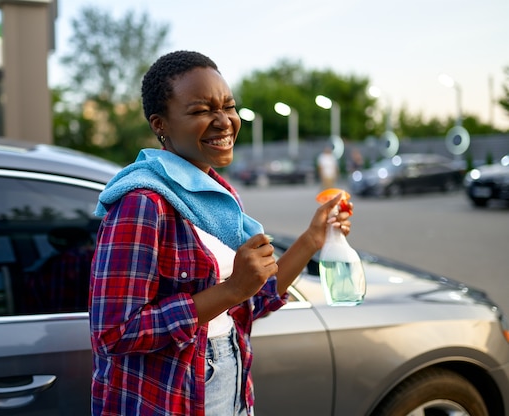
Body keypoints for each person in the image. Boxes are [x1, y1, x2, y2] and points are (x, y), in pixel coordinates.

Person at [89, 50, 352, 416]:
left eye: (228, 106)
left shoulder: (218, 197)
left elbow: (250, 301)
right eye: (200, 111)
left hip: (231, 372)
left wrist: (312, 239)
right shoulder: (142, 204)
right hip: (171, 395)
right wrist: (231, 289)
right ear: (160, 124)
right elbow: (114, 333)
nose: (224, 121)